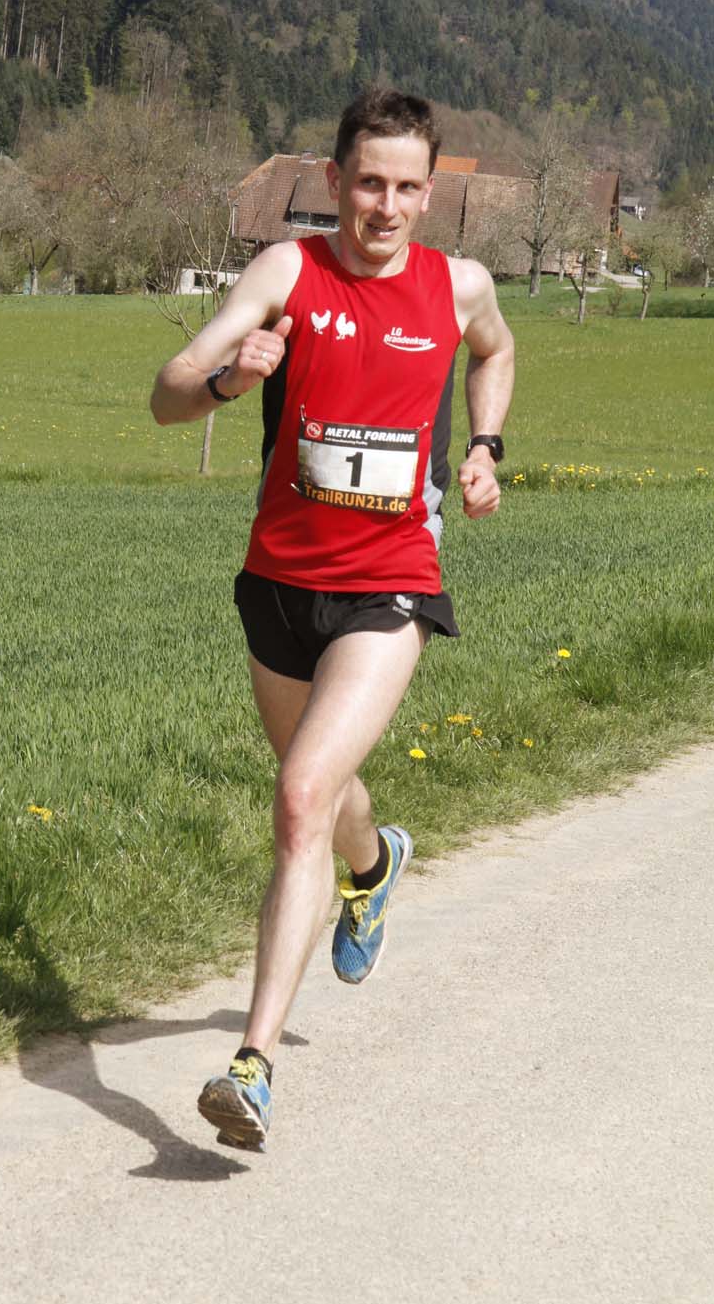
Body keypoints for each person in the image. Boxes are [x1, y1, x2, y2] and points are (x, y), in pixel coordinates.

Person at [149, 88, 515, 1153]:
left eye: (406, 187)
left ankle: (251, 1066)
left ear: (430, 192)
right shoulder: (286, 272)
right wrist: (228, 380)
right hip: (277, 581)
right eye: (368, 183)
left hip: (389, 584)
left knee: (299, 793)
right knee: (324, 792)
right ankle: (375, 864)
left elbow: (494, 351)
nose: (385, 206)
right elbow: (166, 393)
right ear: (333, 180)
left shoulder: (458, 285)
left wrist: (483, 448)